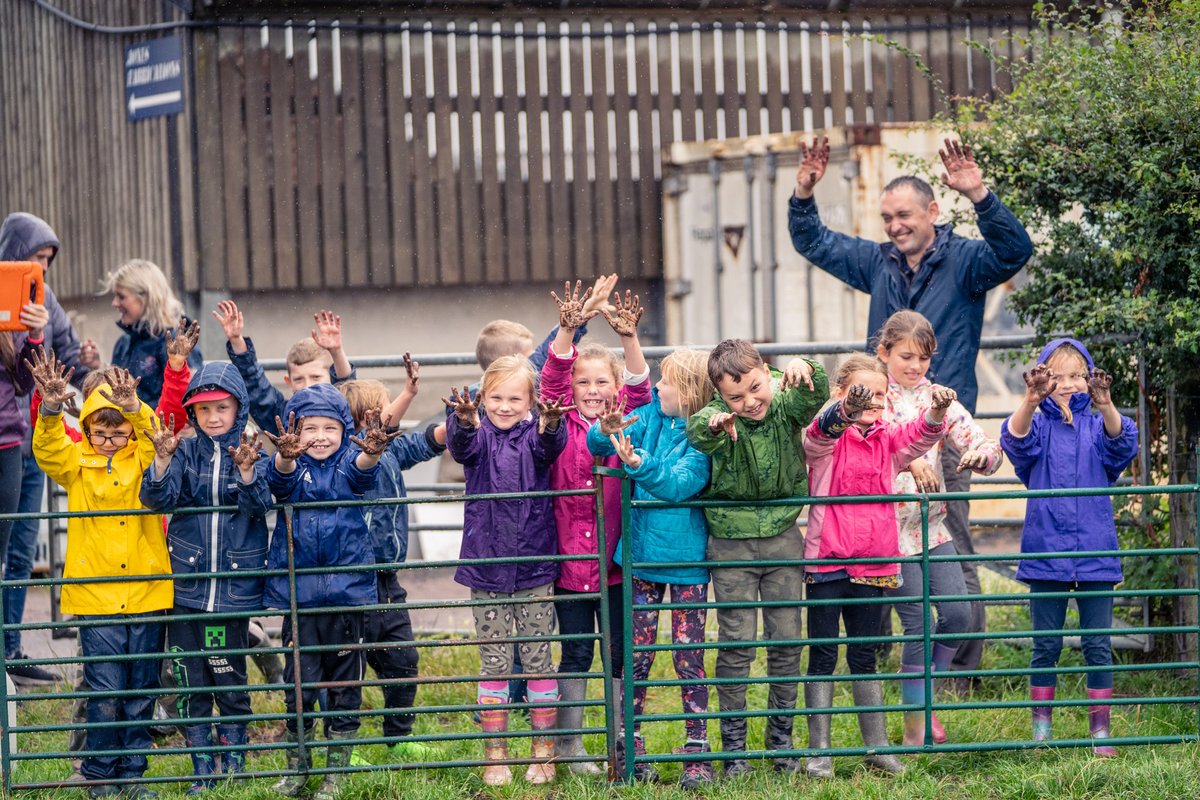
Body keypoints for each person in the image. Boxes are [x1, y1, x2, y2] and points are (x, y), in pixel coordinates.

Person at [787, 136, 1034, 681]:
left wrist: (980, 194)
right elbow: (816, 243)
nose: (895, 225)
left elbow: (1016, 251)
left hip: (946, 432)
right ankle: (880, 665)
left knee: (953, 545)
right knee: (876, 543)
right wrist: (805, 191)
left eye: (904, 215)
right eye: (887, 217)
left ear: (932, 212)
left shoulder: (967, 261)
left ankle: (955, 674)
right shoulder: (878, 263)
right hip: (877, 439)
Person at [801, 354, 951, 778]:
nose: (872, 401)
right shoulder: (827, 440)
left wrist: (936, 410)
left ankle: (878, 748)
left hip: (872, 564)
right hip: (828, 561)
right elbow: (817, 435)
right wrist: (844, 412)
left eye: (879, 395)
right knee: (823, 654)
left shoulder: (888, 440)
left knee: (864, 654)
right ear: (840, 394)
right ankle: (819, 754)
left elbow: (919, 437)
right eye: (860, 394)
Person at [29, 353, 169, 799]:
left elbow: (154, 436)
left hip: (147, 590)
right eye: (100, 432)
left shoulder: (144, 457)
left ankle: (132, 775)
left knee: (142, 687)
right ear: (86, 426)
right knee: (106, 689)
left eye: (118, 432)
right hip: (95, 596)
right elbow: (48, 450)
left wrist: (135, 408)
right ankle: (99, 775)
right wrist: (50, 410)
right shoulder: (76, 463)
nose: (109, 441)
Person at [685, 340, 827, 777]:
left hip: (784, 536)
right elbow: (698, 429)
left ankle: (781, 741)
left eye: (754, 388)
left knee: (787, 639)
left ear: (768, 372)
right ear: (719, 395)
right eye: (735, 397)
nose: (749, 403)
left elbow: (813, 397)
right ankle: (734, 749)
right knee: (738, 641)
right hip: (731, 543)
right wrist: (715, 425)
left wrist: (808, 368)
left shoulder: (784, 402)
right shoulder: (717, 417)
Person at [1000, 338, 1138, 757]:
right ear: (1043, 379)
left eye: (1076, 375)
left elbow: (1123, 443)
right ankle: (1042, 730)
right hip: (1046, 553)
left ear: (1089, 378)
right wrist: (1029, 399)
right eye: (1056, 376)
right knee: (1046, 645)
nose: (1068, 384)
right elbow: (1014, 439)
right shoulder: (1038, 425)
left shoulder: (1099, 425)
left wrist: (1106, 404)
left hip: (1095, 552)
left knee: (1098, 644)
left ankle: (1101, 734)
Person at [585, 349, 715, 788]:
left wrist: (640, 464)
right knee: (635, 659)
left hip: (685, 566)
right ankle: (630, 749)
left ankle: (698, 752)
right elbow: (597, 444)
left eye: (667, 381)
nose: (657, 386)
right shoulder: (649, 416)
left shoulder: (703, 436)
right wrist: (605, 430)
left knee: (688, 659)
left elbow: (680, 484)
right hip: (639, 561)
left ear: (691, 391)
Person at [139, 362, 270, 792]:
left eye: (222, 407)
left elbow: (259, 507)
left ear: (239, 406)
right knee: (189, 682)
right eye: (203, 409)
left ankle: (233, 767)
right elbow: (158, 499)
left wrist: (248, 473)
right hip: (187, 589)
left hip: (232, 592)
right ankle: (202, 769)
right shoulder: (185, 452)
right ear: (191, 414)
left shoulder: (253, 451)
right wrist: (160, 459)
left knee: (229, 681)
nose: (213, 417)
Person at [876, 310, 1003, 745]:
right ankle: (916, 724)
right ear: (884, 352)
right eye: (906, 357)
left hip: (931, 528)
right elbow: (870, 446)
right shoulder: (876, 397)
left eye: (923, 359)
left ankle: (923, 692)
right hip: (889, 531)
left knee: (957, 614)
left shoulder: (939, 398)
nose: (915, 367)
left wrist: (982, 456)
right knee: (919, 624)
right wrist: (908, 459)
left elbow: (978, 438)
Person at [540, 281, 651, 774]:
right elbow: (551, 382)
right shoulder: (559, 421)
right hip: (570, 568)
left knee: (621, 656)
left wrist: (628, 339)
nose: (591, 391)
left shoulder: (628, 421)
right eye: (583, 384)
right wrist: (567, 330)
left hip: (616, 566)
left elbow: (642, 389)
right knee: (577, 653)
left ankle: (621, 742)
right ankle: (570, 747)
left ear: (615, 388)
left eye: (601, 383)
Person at [262, 383, 393, 800]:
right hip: (299, 602)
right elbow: (277, 481)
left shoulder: (346, 467)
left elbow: (363, 470)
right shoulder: (291, 466)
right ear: (293, 431)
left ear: (344, 431)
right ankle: (298, 766)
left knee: (344, 687)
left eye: (329, 428)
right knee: (298, 687)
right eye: (309, 428)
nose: (319, 436)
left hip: (345, 598)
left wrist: (372, 450)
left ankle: (337, 770)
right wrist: (285, 453)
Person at [444, 357, 570, 786]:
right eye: (495, 397)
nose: (504, 405)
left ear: (532, 400)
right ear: (482, 398)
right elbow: (461, 448)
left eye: (515, 397)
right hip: (486, 566)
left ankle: (543, 752)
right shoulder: (477, 435)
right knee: (494, 661)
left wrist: (551, 424)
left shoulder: (536, 434)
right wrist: (463, 420)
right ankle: (495, 754)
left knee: (538, 659)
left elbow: (551, 447)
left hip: (534, 565)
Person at [0, 212, 90, 685]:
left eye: (48, 260)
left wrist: (86, 368)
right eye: (36, 257)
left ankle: (12, 650)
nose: (43, 268)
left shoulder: (44, 298)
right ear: (15, 251)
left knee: (20, 547)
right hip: (7, 436)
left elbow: (60, 358)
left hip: (35, 435)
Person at [337, 376, 447, 761]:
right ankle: (345, 746)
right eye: (387, 407)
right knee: (348, 670)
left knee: (402, 661)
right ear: (369, 417)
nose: (394, 416)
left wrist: (457, 424)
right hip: (352, 583)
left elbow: (424, 442)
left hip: (387, 581)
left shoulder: (392, 453)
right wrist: (410, 394)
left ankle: (398, 735)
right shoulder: (346, 461)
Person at [212, 301, 354, 432]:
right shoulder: (283, 416)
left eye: (316, 377)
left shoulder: (341, 407)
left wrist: (336, 352)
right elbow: (255, 386)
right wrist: (236, 340)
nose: (308, 386)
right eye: (299, 379)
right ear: (288, 381)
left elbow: (347, 387)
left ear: (331, 376)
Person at [80, 259, 202, 408]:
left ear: (146, 297)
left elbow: (187, 400)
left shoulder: (176, 342)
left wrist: (138, 408)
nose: (115, 303)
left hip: (163, 429)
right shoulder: (124, 342)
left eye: (121, 296)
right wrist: (99, 367)